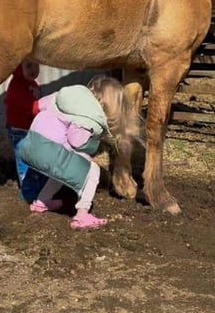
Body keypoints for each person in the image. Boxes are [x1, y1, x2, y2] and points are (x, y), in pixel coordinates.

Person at [18, 75, 139, 230]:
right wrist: (93, 146)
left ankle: (42, 202)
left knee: (64, 168)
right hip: (48, 150)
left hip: (30, 145)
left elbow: (40, 105)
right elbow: (77, 140)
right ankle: (82, 215)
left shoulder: (67, 96)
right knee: (93, 171)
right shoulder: (91, 114)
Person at [4, 59, 48, 202]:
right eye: (28, 66)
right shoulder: (17, 86)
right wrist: (42, 107)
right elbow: (27, 106)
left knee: (34, 158)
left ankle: (38, 187)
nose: (33, 69)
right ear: (17, 69)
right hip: (19, 130)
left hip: (30, 128)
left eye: (36, 65)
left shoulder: (32, 84)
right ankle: (28, 193)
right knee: (24, 160)